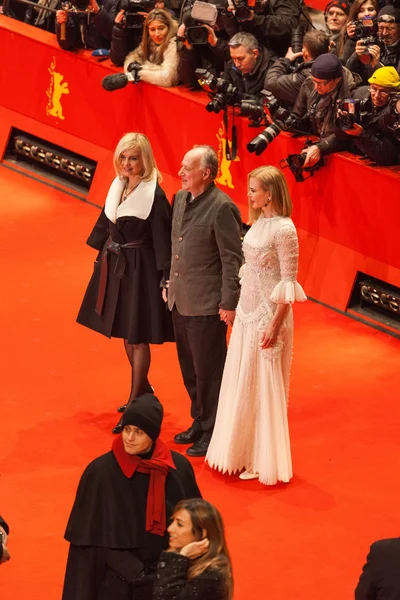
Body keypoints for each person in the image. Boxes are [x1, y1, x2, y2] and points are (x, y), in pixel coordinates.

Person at [206, 166, 306, 485]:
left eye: (254, 190)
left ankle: (263, 459)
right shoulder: (260, 222)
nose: (248, 194)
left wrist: (275, 325)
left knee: (263, 386)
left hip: (267, 317)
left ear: (270, 194)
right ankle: (241, 450)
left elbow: (288, 284)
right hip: (247, 312)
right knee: (242, 380)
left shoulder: (284, 230)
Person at [76, 133, 173, 432]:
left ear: (145, 159)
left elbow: (163, 240)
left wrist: (165, 278)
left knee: (137, 334)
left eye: (134, 158)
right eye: (124, 158)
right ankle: (142, 391)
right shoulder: (118, 186)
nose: (128, 164)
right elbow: (107, 224)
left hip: (141, 271)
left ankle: (134, 402)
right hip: (115, 265)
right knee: (124, 330)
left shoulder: (154, 195)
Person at [62, 394, 202, 600]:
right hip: (117, 582)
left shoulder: (177, 468)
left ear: (153, 436)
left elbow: (197, 524)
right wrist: (137, 573)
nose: (129, 437)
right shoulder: (100, 473)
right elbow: (89, 545)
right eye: (127, 429)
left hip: (168, 577)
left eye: (139, 432)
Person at [166, 145, 242, 458]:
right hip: (180, 300)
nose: (181, 172)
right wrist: (166, 283)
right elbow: (176, 247)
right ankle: (199, 420)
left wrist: (228, 303)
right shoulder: (181, 198)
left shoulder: (223, 207)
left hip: (207, 305)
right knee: (190, 368)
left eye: (188, 168)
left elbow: (232, 259)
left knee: (209, 371)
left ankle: (213, 430)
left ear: (206, 174)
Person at [286, 53, 360, 167]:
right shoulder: (309, 84)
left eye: (320, 83)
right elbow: (297, 115)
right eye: (314, 81)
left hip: (339, 154)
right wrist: (283, 120)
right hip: (319, 142)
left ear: (337, 80)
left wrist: (320, 147)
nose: (315, 87)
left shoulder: (352, 96)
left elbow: (345, 135)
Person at [153, 498, 233, 600]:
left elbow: (166, 596)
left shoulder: (212, 575)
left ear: (203, 533)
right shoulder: (179, 556)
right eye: (172, 521)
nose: (170, 529)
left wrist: (180, 558)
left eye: (180, 524)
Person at [341, 66, 400, 165]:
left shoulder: (396, 112)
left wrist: (361, 134)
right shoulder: (359, 96)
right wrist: (342, 122)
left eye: (383, 91)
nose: (376, 96)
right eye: (373, 89)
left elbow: (386, 156)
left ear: (394, 93)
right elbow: (341, 139)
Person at [264, 29, 330, 107]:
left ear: (304, 53)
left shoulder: (304, 76)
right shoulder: (336, 69)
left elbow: (270, 83)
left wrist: (285, 60)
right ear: (328, 50)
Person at [221, 0, 299, 58]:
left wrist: (254, 19)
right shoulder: (240, 2)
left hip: (278, 54)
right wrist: (230, 15)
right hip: (250, 55)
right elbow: (235, 35)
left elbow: (288, 25)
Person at [346, 5, 400, 83]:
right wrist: (356, 56)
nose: (384, 33)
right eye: (381, 28)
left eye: (390, 29)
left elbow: (395, 84)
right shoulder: (373, 42)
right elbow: (349, 76)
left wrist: (377, 65)